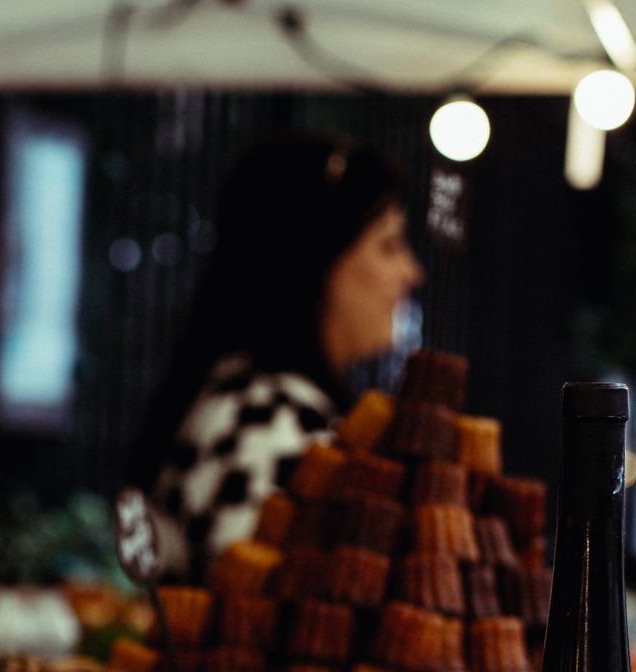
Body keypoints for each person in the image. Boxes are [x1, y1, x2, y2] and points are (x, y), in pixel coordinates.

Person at [129, 136, 423, 572]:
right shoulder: (272, 426)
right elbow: (249, 603)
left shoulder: (250, 397)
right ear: (315, 258)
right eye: (388, 245)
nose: (411, 272)